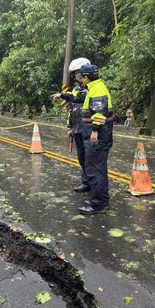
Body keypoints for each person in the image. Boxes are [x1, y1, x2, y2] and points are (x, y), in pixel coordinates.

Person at [77, 64, 113, 215]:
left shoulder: (97, 90)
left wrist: (95, 131)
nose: (80, 79)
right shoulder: (96, 87)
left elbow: (99, 113)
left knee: (94, 170)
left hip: (98, 138)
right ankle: (102, 200)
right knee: (99, 169)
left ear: (86, 77)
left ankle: (98, 204)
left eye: (81, 77)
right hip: (99, 136)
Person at [51, 57, 91, 193]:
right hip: (77, 129)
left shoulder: (90, 89)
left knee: (90, 157)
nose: (77, 76)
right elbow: (72, 109)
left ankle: (93, 183)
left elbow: (78, 98)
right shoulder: (75, 89)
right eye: (75, 74)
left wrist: (63, 95)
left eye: (79, 73)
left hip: (88, 128)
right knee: (81, 157)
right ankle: (85, 182)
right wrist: (69, 127)